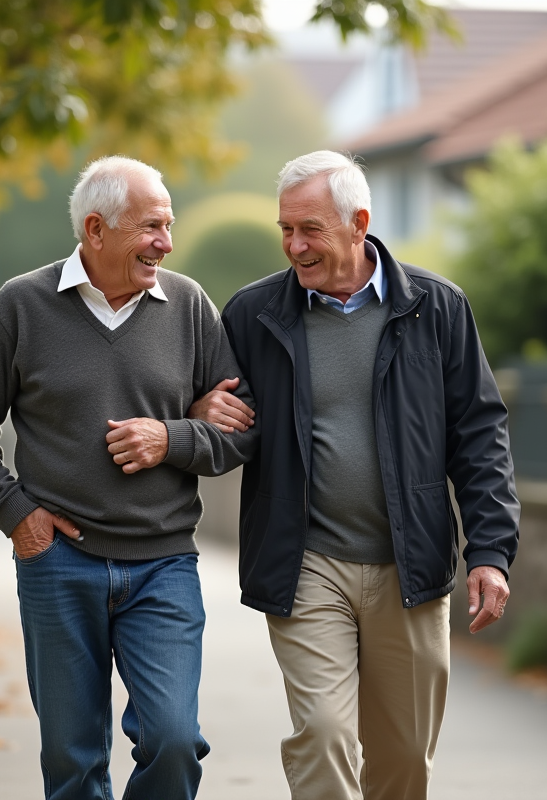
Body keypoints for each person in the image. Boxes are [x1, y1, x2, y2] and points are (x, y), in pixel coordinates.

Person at [189, 150, 520, 800]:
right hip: (307, 563)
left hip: (412, 564)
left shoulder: (437, 309)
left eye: (309, 228)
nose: (294, 244)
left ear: (359, 222)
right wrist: (203, 411)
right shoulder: (254, 315)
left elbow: (480, 436)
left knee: (403, 758)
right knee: (323, 735)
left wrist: (490, 552)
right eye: (285, 229)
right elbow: (229, 428)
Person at [0, 155, 255, 800]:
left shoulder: (189, 305)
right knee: (74, 763)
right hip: (59, 565)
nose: (166, 242)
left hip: (163, 564)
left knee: (173, 741)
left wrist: (172, 437)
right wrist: (14, 510)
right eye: (149, 228)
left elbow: (241, 429)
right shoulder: (21, 306)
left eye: (168, 225)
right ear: (96, 230)